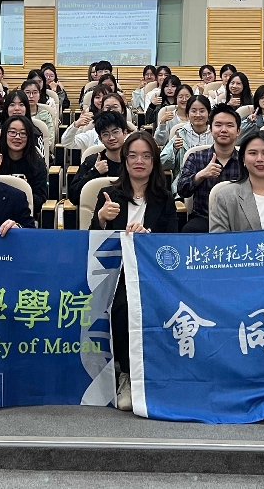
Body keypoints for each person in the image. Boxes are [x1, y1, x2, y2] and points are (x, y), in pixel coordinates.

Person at [90, 131, 179, 413]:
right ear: (125, 160)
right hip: (113, 273)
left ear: (154, 161)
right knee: (120, 305)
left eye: (146, 156)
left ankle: (142, 372)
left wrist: (147, 238)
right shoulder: (109, 195)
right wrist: (101, 219)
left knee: (136, 304)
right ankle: (127, 373)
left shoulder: (165, 199)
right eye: (133, 156)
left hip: (151, 274)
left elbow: (171, 245)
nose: (139, 161)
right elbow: (92, 243)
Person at [177, 104, 244, 233]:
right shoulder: (196, 157)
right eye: (218, 125)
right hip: (204, 218)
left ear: (238, 131)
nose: (223, 130)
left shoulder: (246, 160)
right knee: (190, 230)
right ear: (211, 129)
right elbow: (182, 190)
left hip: (239, 219)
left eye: (229, 125)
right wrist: (201, 175)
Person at [68, 110, 128, 205]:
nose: (111, 138)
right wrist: (94, 172)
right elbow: (73, 196)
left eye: (115, 132)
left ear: (124, 133)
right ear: (100, 138)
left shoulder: (134, 161)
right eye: (105, 134)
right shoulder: (92, 161)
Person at [160, 95, 213, 196]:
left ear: (209, 113)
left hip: (212, 183)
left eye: (202, 111)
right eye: (194, 111)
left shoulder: (216, 133)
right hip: (184, 185)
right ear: (188, 114)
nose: (198, 114)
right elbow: (162, 163)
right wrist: (174, 149)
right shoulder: (181, 134)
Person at [0, 115, 49, 206]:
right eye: (12, 132)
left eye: (23, 133)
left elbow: (40, 200)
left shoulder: (37, 164)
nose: (17, 137)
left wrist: (23, 190)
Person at [62, 91, 127, 150]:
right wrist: (76, 125)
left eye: (115, 107)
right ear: (102, 110)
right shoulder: (93, 134)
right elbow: (67, 143)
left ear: (123, 110)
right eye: (107, 107)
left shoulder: (130, 135)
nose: (111, 110)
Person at [21, 80, 57, 147]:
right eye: (27, 92)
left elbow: (49, 139)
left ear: (39, 95)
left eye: (35, 92)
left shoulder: (46, 114)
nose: (31, 96)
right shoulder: (17, 113)